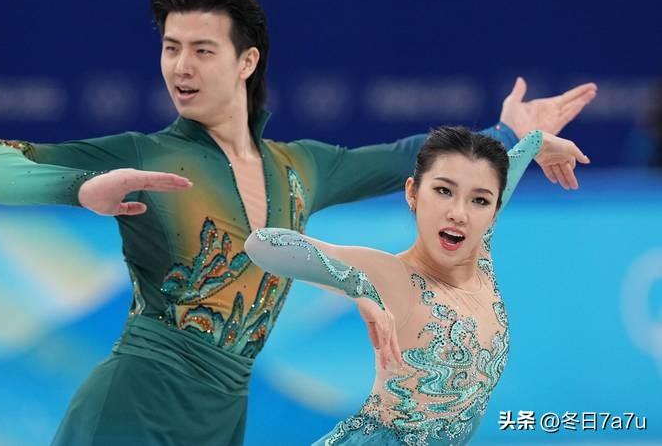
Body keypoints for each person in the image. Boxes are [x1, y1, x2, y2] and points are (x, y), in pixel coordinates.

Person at [0, 0, 597, 446]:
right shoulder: (145, 154)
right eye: (171, 47)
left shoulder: (301, 167)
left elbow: (408, 157)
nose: (180, 66)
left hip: (224, 418)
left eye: (202, 49)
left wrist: (510, 134)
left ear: (246, 61)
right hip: (132, 409)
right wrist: (79, 188)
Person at [245, 126, 589, 445]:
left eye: (479, 201)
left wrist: (536, 142)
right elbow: (262, 244)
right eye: (443, 191)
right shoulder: (393, 276)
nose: (459, 213)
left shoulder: (479, 251)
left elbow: (504, 176)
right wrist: (358, 287)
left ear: (495, 210)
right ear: (412, 193)